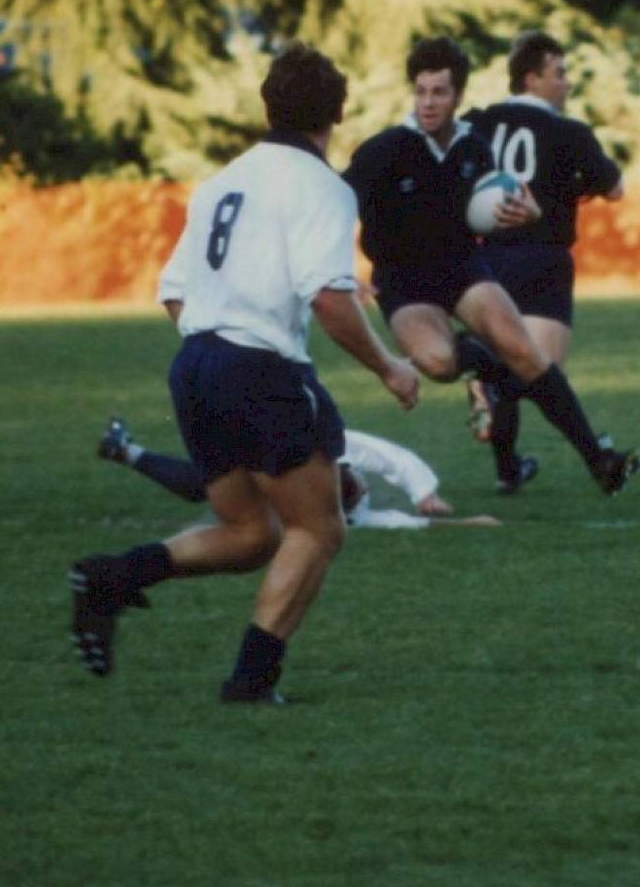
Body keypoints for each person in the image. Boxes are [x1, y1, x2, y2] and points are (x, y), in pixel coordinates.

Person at [67, 43, 420, 704]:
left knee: (252, 534)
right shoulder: (323, 187)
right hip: (257, 369)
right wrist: (389, 367)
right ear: (336, 114)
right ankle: (252, 681)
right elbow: (329, 298)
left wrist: (220, 346)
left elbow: (173, 290)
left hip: (195, 364)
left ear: (268, 106)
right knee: (321, 528)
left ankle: (113, 576)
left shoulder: (221, 182)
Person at [341, 36, 638, 498]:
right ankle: (484, 367)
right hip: (404, 281)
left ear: (458, 95)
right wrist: (341, 267)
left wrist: (530, 213)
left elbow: (496, 204)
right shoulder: (384, 149)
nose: (428, 102)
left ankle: (599, 460)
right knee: (439, 362)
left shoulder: (474, 148)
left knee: (524, 350)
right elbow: (335, 205)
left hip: (464, 268)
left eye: (439, 92)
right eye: (421, 91)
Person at [462, 30, 624, 494]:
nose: (567, 82)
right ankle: (495, 387)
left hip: (486, 258)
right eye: (559, 73)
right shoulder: (569, 132)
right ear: (531, 78)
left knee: (507, 357)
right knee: (540, 368)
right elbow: (615, 189)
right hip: (543, 256)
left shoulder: (478, 122)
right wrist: (572, 188)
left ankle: (507, 470)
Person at [96, 416, 500, 530]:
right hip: (265, 442)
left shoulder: (343, 509)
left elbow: (400, 515)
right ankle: (126, 451)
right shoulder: (329, 451)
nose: (359, 484)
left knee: (209, 484)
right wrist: (427, 495)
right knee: (210, 482)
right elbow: (390, 459)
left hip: (263, 473)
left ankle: (125, 451)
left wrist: (435, 504)